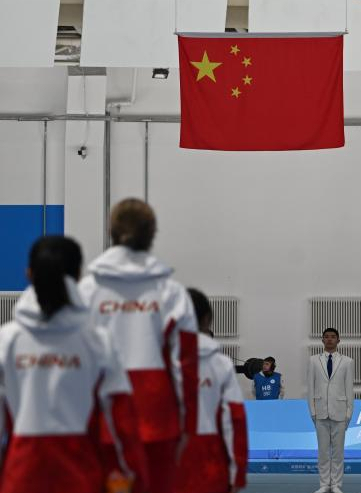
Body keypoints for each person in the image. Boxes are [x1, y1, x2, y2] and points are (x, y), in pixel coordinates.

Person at [0, 235, 148, 493]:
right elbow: (120, 422)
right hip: (80, 475)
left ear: (28, 274)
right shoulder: (97, 342)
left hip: (21, 475)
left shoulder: (7, 340)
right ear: (79, 275)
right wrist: (133, 477)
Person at [78, 198, 199, 493]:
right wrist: (189, 424)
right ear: (152, 234)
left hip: (102, 415)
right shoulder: (170, 292)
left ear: (112, 231)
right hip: (156, 416)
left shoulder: (87, 291)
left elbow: (75, 361)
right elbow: (185, 364)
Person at [175, 288, 248, 493]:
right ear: (207, 319)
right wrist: (237, 474)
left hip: (165, 459)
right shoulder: (221, 365)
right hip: (209, 462)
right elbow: (234, 420)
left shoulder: (154, 363)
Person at [307, 327, 354, 493]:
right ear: (322, 340)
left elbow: (349, 389)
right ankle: (324, 484)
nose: (329, 339)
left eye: (333, 337)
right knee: (323, 452)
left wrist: (349, 413)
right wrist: (312, 411)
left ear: (338, 340)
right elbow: (311, 388)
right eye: (326, 337)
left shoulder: (347, 362)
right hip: (320, 411)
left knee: (338, 452)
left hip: (340, 411)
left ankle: (336, 485)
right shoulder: (313, 360)